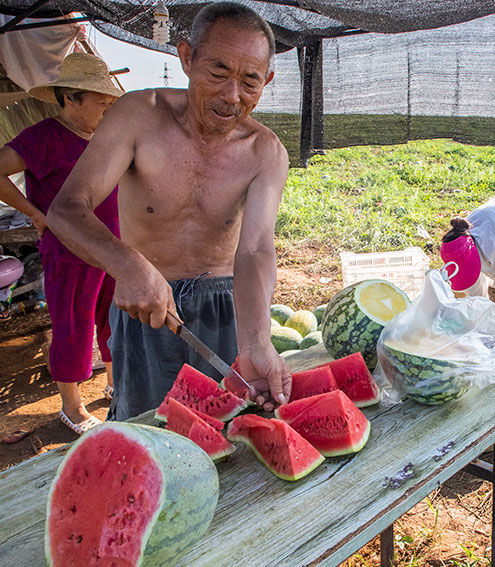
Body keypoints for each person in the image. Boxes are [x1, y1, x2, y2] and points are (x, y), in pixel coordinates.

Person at [47, 2, 291, 421]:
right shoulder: (138, 116)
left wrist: (255, 342)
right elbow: (67, 209)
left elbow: (253, 250)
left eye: (250, 81)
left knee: (229, 434)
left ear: (266, 80)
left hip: (227, 307)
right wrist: (130, 265)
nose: (232, 95)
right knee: (144, 434)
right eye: (217, 72)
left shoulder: (265, 152)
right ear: (186, 58)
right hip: (144, 306)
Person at [0, 53, 122, 434]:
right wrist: (35, 214)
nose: (108, 108)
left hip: (113, 248)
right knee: (73, 324)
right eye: (101, 101)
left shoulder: (106, 136)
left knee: (113, 318)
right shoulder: (45, 136)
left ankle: (116, 384)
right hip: (70, 250)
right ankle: (72, 407)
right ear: (70, 98)